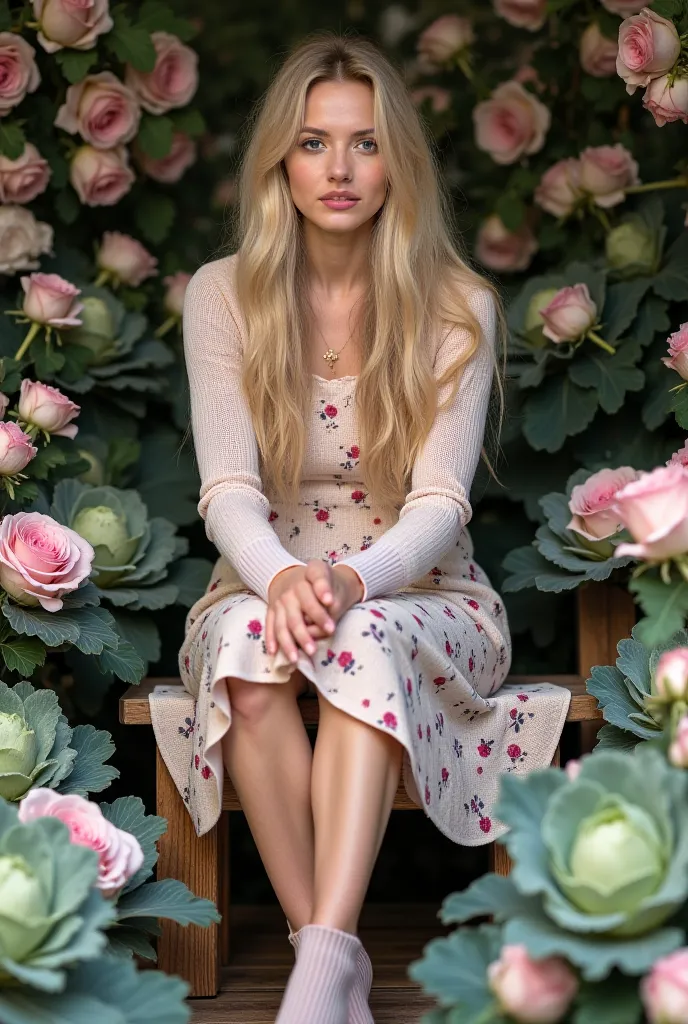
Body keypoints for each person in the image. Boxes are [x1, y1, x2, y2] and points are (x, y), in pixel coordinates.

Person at [179, 31, 517, 1024]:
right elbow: (227, 487)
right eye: (314, 143)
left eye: (364, 144)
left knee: (355, 633)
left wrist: (348, 582)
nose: (338, 170)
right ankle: (326, 958)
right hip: (261, 581)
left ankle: (318, 976)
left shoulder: (459, 303)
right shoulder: (222, 295)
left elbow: (441, 504)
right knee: (245, 643)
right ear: (279, 161)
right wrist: (284, 576)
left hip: (422, 595)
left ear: (395, 162)